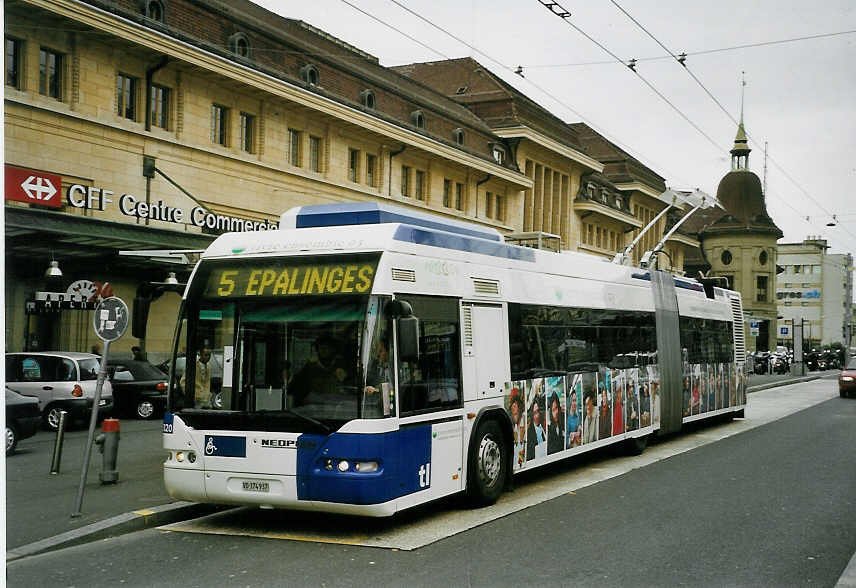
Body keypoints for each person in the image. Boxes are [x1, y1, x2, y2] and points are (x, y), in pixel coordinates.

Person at [526, 387, 546, 460]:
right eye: (534, 413)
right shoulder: (529, 433)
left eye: (537, 411)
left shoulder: (543, 428)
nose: (537, 416)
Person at [508, 391, 526, 468]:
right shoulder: (510, 422)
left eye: (515, 405)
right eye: (512, 405)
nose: (513, 407)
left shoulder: (524, 420)